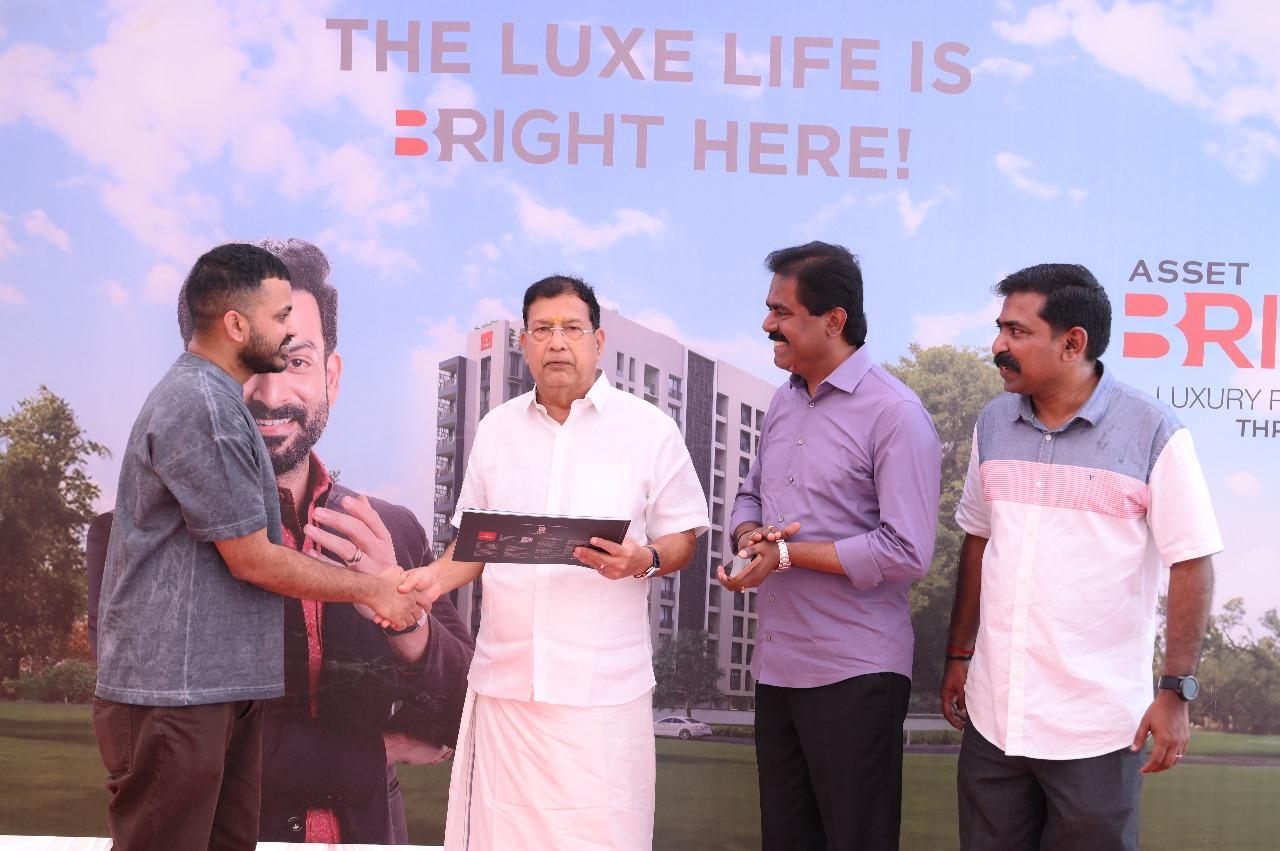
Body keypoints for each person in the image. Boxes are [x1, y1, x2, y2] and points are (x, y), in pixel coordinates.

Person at [88, 238, 474, 844]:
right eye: (255, 364)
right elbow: (167, 729)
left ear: (331, 376)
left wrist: (405, 617)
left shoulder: (392, 530)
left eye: (295, 361)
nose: (270, 395)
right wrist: (379, 748)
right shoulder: (131, 534)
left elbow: (467, 714)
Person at [397, 275, 710, 850]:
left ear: (599, 340)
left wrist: (644, 559)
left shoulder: (648, 429)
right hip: (507, 688)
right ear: (524, 342)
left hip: (603, 695)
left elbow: (684, 538)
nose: (557, 342)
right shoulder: (496, 430)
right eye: (542, 329)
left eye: (572, 328)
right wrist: (429, 581)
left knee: (602, 836)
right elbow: (474, 546)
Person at [939, 263, 1221, 850]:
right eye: (999, 329)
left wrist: (1176, 691)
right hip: (994, 723)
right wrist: (959, 653)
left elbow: (1191, 562)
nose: (998, 346)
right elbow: (979, 539)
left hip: (1097, 730)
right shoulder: (993, 423)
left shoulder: (1154, 431)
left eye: (1017, 332)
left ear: (1073, 343)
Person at [720, 241, 942, 851]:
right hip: (778, 669)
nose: (767, 324)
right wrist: (748, 538)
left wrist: (789, 555)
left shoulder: (896, 413)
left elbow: (907, 550)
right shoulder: (783, 400)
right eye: (769, 308)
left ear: (834, 320)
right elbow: (749, 496)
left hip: (856, 673)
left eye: (782, 312)